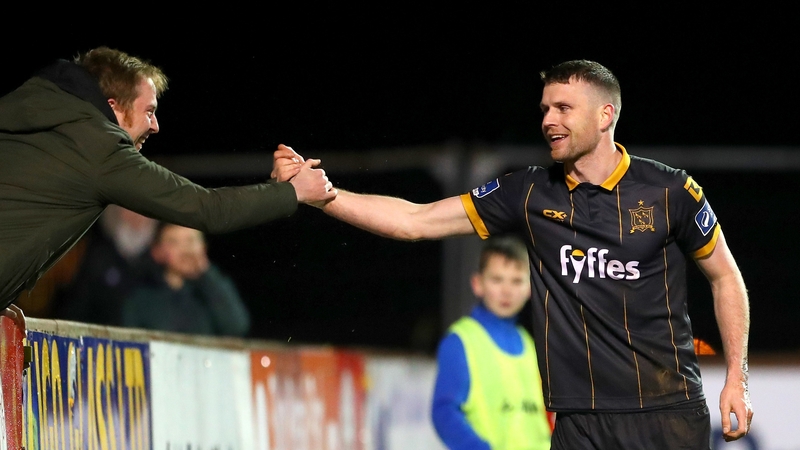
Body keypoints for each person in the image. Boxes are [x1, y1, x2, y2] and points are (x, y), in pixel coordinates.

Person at [273, 60, 752, 448]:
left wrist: (737, 377)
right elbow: (416, 220)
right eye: (545, 109)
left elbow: (726, 277)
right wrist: (321, 196)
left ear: (605, 115)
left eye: (563, 108)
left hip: (667, 414)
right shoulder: (527, 192)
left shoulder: (670, 190)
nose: (548, 120)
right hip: (578, 422)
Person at [0, 47, 337, 325]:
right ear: (114, 107)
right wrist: (293, 192)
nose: (156, 126)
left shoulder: (30, 108)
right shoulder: (98, 146)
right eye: (149, 111)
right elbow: (208, 209)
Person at [431, 235, 551, 449]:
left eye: (516, 281)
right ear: (478, 284)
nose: (506, 290)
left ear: (530, 288)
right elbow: (444, 412)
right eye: (497, 279)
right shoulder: (460, 341)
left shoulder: (529, 344)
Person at [121, 222, 250, 336]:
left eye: (191, 241)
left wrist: (206, 272)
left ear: (204, 247)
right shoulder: (141, 298)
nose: (185, 250)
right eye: (174, 242)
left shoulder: (212, 289)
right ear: (157, 251)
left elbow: (237, 327)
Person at [54, 205, 158, 326]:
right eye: (130, 209)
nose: (137, 217)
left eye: (143, 212)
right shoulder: (98, 256)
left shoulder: (158, 262)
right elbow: (77, 307)